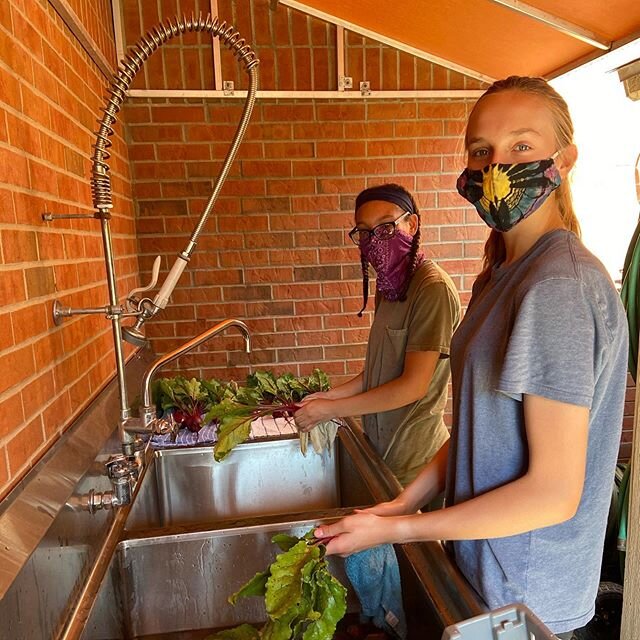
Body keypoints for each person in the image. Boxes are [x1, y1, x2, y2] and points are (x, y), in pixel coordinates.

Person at [311, 77, 629, 639]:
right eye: (481, 151)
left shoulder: (558, 287)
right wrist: (404, 502)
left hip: (525, 599)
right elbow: (484, 428)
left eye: (521, 146)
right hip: (486, 572)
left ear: (566, 159)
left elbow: (553, 493)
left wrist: (399, 531)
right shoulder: (500, 277)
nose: (496, 166)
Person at [294, 183, 461, 487]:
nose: (374, 241)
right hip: (383, 450)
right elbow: (378, 372)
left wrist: (331, 409)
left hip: (416, 461)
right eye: (364, 232)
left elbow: (413, 386)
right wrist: (329, 395)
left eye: (385, 227)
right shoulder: (389, 289)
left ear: (412, 224)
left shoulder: (431, 289)